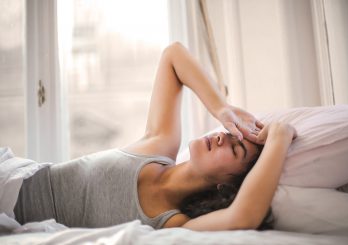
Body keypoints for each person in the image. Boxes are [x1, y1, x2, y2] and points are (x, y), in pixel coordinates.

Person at [13, 42, 297, 231]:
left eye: (235, 149)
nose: (225, 136)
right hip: (13, 178)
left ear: (224, 186)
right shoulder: (158, 145)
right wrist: (222, 108)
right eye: (231, 133)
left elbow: (244, 216)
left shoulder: (171, 224)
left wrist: (279, 137)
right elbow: (173, 55)